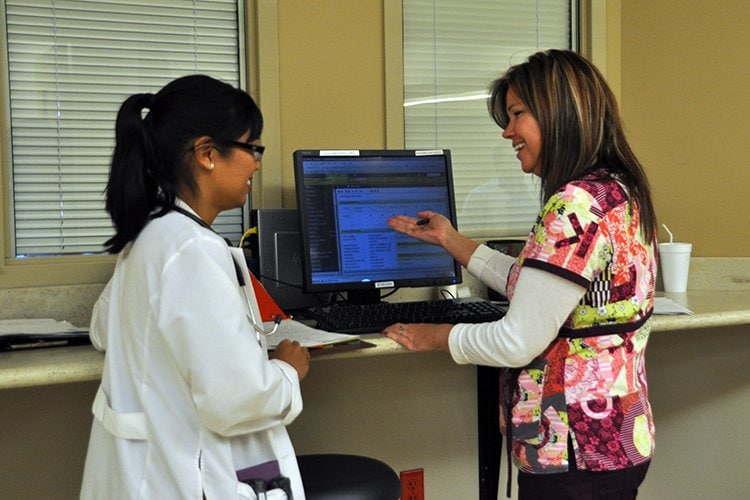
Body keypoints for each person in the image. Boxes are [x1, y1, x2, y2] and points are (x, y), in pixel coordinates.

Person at [384, 50, 657, 499]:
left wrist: (433, 335)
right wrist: (453, 241)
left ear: (559, 113)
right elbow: (548, 289)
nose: (507, 131)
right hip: (617, 441)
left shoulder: (573, 205)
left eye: (517, 114)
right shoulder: (617, 192)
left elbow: (517, 340)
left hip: (572, 450)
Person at [80, 75, 311, 499]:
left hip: (145, 474)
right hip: (185, 479)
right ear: (206, 154)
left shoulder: (152, 235)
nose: (257, 163)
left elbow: (102, 329)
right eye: (252, 147)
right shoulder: (190, 250)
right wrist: (287, 370)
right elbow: (237, 401)